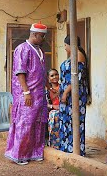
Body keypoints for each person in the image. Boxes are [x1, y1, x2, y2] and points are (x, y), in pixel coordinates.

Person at [5, 22, 48, 165]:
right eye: (42, 36)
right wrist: (26, 92)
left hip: (40, 95)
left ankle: (35, 152)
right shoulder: (22, 49)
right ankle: (19, 155)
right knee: (25, 124)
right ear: (35, 34)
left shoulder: (40, 51)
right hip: (27, 95)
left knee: (38, 125)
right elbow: (20, 72)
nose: (43, 39)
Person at [58, 35, 89, 156]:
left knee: (75, 121)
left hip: (74, 95)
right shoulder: (73, 56)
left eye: (65, 45)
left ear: (70, 44)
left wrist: (65, 92)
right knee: (67, 121)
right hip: (67, 93)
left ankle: (75, 149)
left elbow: (77, 78)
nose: (65, 48)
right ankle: (67, 147)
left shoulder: (79, 56)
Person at [45, 69, 60, 149]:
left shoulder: (62, 87)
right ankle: (54, 144)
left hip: (62, 109)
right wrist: (53, 106)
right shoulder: (46, 90)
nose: (55, 77)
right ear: (48, 78)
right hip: (51, 112)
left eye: (56, 74)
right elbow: (43, 103)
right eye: (52, 75)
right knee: (54, 114)